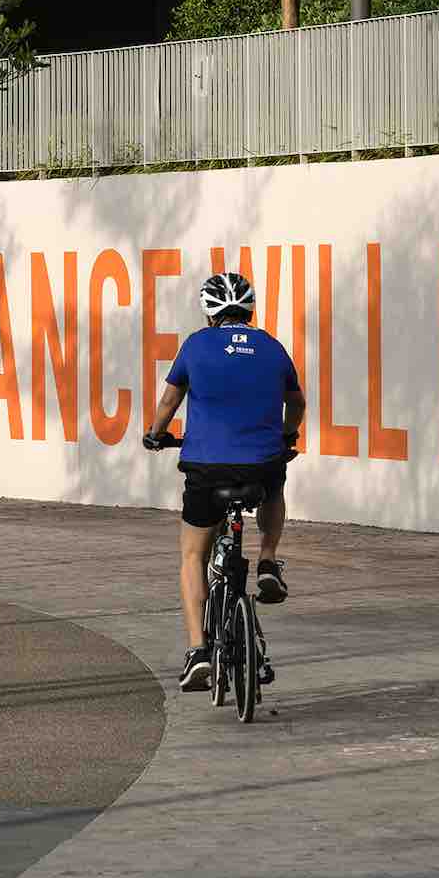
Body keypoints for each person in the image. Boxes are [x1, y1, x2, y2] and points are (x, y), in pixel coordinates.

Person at [144, 272, 304, 693]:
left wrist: (155, 434)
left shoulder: (196, 345)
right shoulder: (271, 346)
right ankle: (267, 560)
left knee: (192, 556)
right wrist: (287, 435)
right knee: (275, 481)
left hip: (206, 469)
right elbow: (296, 402)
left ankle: (198, 651)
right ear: (249, 309)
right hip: (260, 466)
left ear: (209, 312)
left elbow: (169, 400)